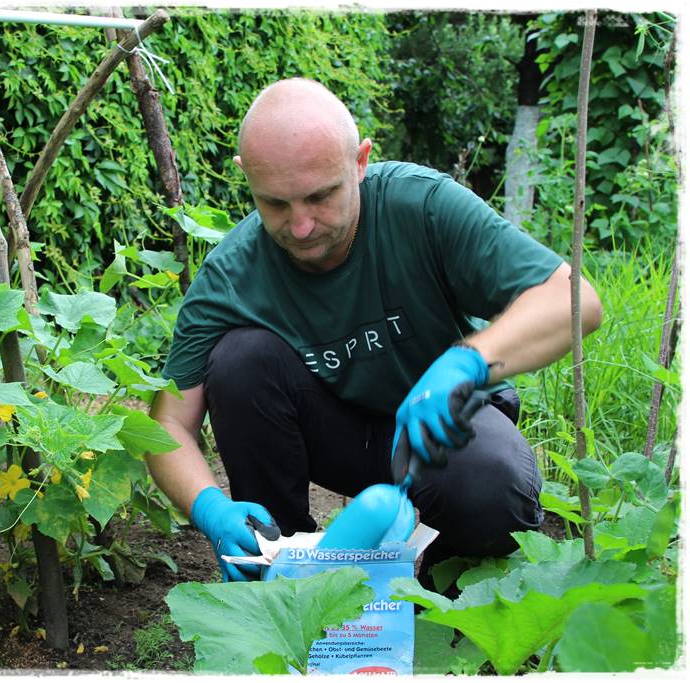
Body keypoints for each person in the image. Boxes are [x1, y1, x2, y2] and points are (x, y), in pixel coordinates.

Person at [146, 78, 603, 583]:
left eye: (321, 196)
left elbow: (575, 301)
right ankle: (281, 565)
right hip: (334, 436)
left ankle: (445, 578)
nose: (300, 225)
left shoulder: (422, 208)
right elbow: (168, 423)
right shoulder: (230, 276)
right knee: (238, 362)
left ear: (360, 162)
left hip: (441, 429)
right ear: (246, 178)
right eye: (276, 204)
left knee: (493, 485)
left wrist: (468, 361)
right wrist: (209, 507)